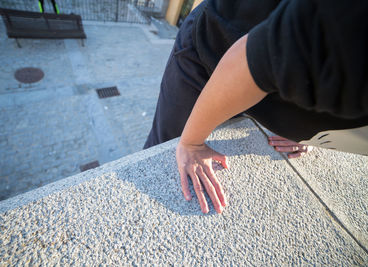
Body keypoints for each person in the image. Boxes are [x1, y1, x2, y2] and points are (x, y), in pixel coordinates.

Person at [144, 0, 368, 214]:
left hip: (264, 82)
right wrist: (191, 143)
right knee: (165, 152)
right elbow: (251, 58)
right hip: (215, 47)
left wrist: (313, 126)